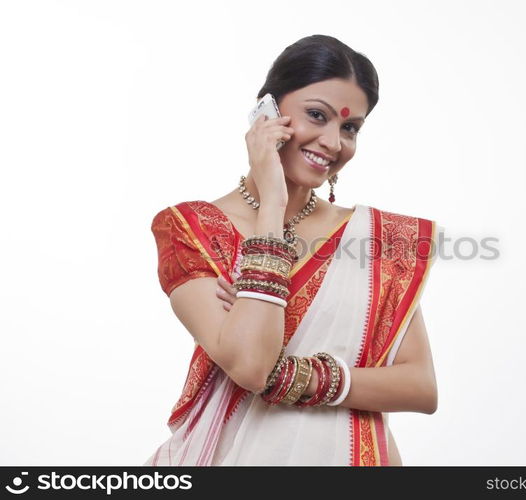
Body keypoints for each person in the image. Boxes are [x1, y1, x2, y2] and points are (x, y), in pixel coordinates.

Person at [145, 34, 441, 466]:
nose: (333, 142)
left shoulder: (380, 239)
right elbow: (248, 365)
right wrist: (273, 207)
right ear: (267, 110)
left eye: (349, 128)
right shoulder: (190, 228)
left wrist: (293, 376)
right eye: (316, 115)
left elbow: (420, 386)